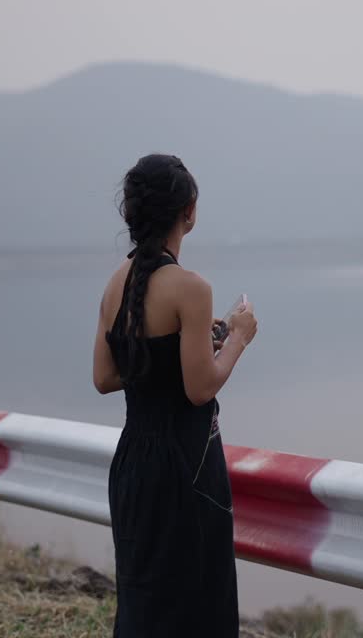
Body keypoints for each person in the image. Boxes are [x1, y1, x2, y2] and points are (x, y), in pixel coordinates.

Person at [92, 153, 258, 637]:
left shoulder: (113, 284)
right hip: (187, 468)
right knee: (198, 607)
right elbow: (199, 388)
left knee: (145, 604)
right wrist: (239, 337)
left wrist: (180, 355)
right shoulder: (191, 288)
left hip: (133, 465)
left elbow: (104, 378)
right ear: (189, 210)